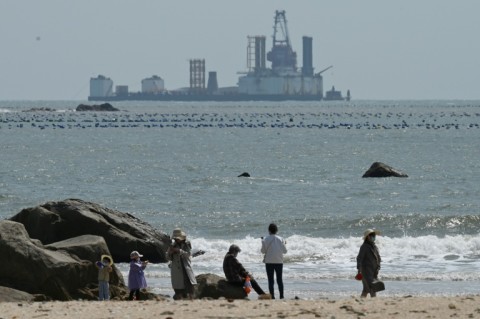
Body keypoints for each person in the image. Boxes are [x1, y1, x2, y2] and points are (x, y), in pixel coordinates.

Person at [166, 228, 197, 300]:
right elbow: (168, 258)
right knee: (178, 287)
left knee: (189, 286)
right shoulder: (172, 245)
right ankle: (180, 300)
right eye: (175, 238)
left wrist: (179, 250)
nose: (176, 240)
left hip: (185, 267)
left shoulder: (187, 243)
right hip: (176, 268)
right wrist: (171, 252)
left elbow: (188, 255)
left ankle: (191, 300)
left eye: (177, 238)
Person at [261, 223, 287, 299]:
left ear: (269, 230)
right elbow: (285, 251)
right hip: (279, 261)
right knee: (279, 279)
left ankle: (272, 297)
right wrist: (285, 244)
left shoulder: (265, 239)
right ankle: (281, 296)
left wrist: (262, 242)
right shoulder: (281, 239)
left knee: (270, 280)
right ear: (276, 230)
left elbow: (263, 251)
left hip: (269, 262)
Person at [356, 229, 382, 298]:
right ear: (367, 237)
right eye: (372, 235)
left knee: (366, 289)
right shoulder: (364, 247)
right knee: (372, 288)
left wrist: (378, 266)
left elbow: (378, 257)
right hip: (366, 271)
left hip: (374, 271)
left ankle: (361, 301)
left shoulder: (374, 246)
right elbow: (359, 258)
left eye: (374, 235)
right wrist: (359, 269)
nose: (374, 237)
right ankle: (374, 303)